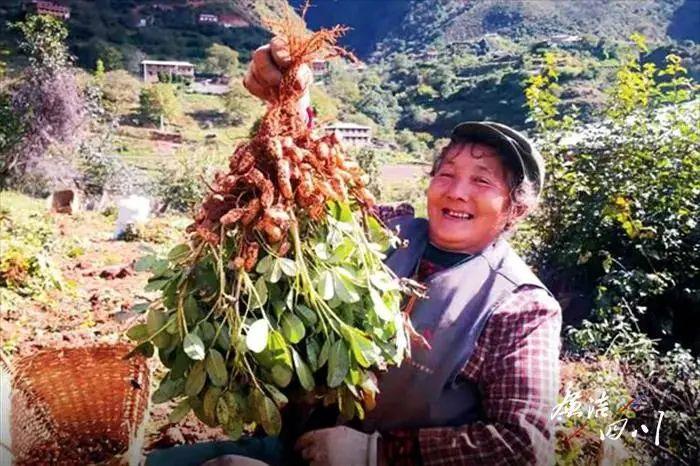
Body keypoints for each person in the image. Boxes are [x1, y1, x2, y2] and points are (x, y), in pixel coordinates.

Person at [149, 38, 562, 466]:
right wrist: (292, 96)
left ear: (517, 206)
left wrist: (378, 452)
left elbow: (524, 445)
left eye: (482, 182)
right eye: (447, 173)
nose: (456, 192)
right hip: (295, 447)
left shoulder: (521, 307)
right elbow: (317, 194)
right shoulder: (386, 228)